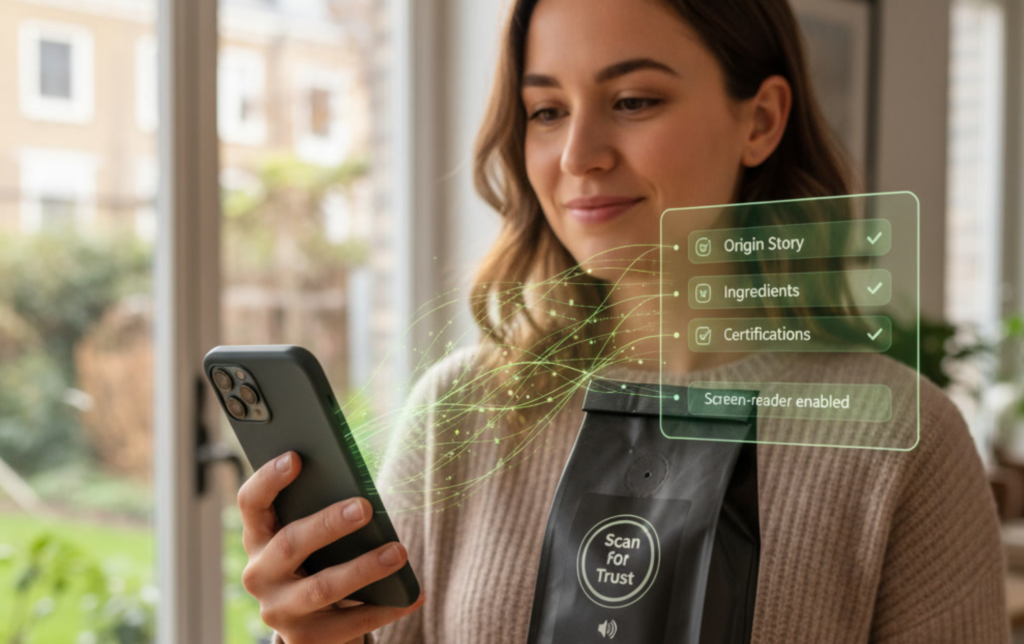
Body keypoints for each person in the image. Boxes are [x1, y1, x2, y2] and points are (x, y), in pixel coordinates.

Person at [236, 0, 1010, 642]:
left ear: (762, 120)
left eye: (634, 100)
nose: (579, 154)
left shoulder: (899, 440)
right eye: (545, 110)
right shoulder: (461, 412)